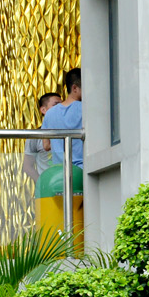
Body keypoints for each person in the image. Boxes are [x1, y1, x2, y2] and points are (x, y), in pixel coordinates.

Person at [37, 68, 84, 247]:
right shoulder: (84, 108)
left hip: (58, 173)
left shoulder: (50, 114)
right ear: (75, 88)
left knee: (61, 222)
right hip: (82, 172)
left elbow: (46, 145)